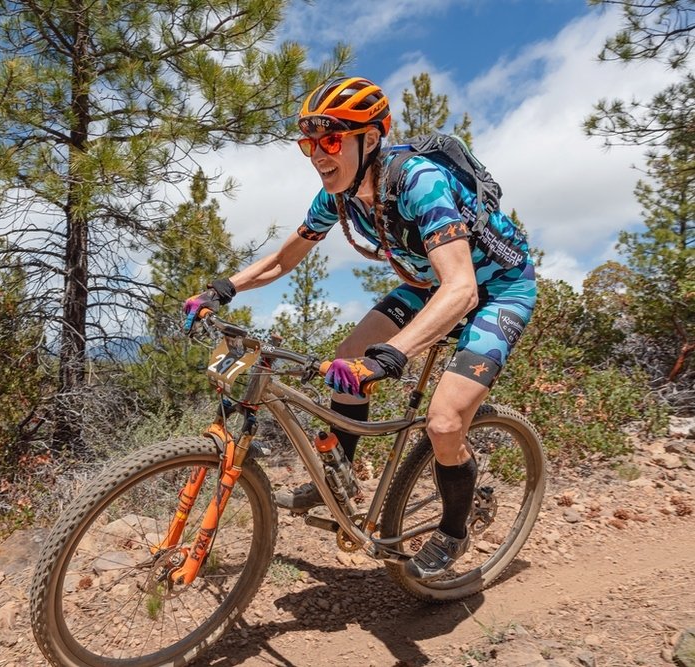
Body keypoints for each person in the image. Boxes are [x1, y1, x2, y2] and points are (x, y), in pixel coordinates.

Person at [183, 76, 536, 581]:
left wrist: (391, 355)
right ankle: (342, 477)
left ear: (371, 138)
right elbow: (286, 258)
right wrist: (222, 288)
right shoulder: (339, 197)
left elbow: (461, 291)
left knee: (444, 422)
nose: (318, 156)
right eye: (310, 144)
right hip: (426, 282)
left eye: (331, 141)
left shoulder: (418, 181)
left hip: (497, 289)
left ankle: (455, 530)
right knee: (345, 358)